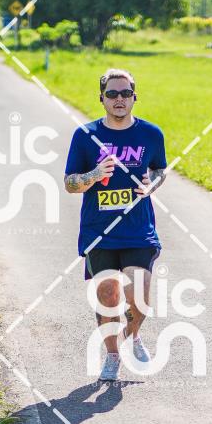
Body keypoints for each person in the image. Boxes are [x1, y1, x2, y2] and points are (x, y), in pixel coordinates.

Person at [64, 68, 167, 381]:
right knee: (108, 297)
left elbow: (159, 170)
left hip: (138, 229)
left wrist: (152, 185)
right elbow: (70, 183)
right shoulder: (85, 136)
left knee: (140, 298)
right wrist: (95, 175)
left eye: (125, 93)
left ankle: (132, 335)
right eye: (112, 94)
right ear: (102, 98)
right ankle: (112, 356)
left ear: (134, 96)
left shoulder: (151, 134)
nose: (119, 99)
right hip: (99, 233)